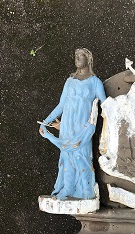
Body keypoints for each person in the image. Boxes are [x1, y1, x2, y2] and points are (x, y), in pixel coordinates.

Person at [39, 48, 106, 200]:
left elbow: (106, 105)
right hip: (67, 126)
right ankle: (67, 188)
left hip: (82, 129)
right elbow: (61, 106)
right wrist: (46, 121)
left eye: (80, 56)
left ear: (88, 59)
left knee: (81, 159)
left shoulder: (95, 82)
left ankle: (86, 191)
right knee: (67, 159)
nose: (76, 58)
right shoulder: (69, 81)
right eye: (75, 56)